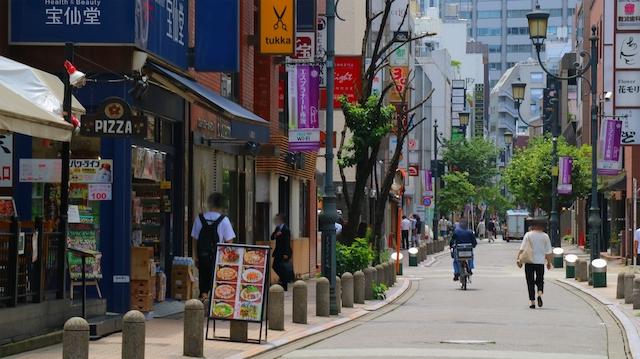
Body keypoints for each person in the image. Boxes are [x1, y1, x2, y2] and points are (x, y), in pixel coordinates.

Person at [191, 193, 236, 300]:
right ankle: (214, 305)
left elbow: (194, 240)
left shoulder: (199, 219)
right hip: (218, 257)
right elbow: (229, 242)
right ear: (221, 205)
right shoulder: (224, 220)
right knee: (217, 282)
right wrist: (228, 260)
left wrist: (196, 257)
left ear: (209, 204)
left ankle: (203, 299)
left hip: (203, 256)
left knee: (203, 281)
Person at [516, 220, 552, 309]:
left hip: (529, 261)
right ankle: (539, 293)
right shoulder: (545, 236)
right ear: (542, 227)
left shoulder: (528, 235)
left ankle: (532, 302)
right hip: (540, 262)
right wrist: (549, 262)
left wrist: (518, 258)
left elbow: (522, 248)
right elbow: (548, 252)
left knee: (530, 282)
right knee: (540, 280)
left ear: (533, 226)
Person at [271, 214, 293, 291]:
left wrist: (286, 253)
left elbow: (287, 242)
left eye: (277, 219)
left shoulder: (286, 229)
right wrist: (276, 234)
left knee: (283, 268)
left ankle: (284, 284)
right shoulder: (277, 228)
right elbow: (272, 237)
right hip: (278, 251)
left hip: (284, 252)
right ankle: (283, 280)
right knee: (275, 266)